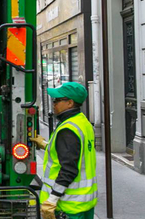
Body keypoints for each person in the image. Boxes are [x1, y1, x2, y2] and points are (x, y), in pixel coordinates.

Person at [30, 82, 97, 219]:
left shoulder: (68, 129)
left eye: (58, 100)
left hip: (68, 205)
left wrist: (52, 199)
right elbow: (74, 153)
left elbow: (68, 168)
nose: (54, 103)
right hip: (83, 203)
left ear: (70, 103)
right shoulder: (82, 122)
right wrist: (45, 144)